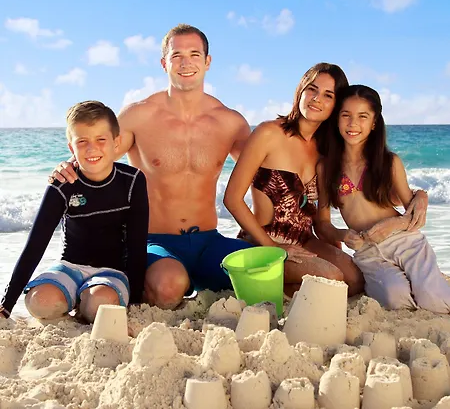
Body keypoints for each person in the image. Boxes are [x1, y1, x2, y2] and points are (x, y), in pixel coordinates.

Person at [49, 24, 252, 310]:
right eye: (176, 55)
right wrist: (67, 167)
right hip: (155, 242)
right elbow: (97, 156)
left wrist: (259, 227)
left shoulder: (231, 122)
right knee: (169, 287)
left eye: (194, 54)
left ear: (207, 61)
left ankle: (203, 276)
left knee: (275, 266)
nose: (185, 63)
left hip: (210, 241)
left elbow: (265, 174)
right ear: (164, 63)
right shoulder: (138, 115)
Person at [224, 63, 366, 297]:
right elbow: (232, 199)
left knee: (356, 280)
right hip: (263, 240)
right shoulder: (268, 133)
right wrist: (274, 248)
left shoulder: (325, 151)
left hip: (304, 239)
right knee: (331, 278)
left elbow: (321, 222)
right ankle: (257, 280)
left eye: (328, 95)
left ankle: (277, 288)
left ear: (336, 104)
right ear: (301, 90)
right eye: (312, 89)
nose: (317, 99)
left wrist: (338, 239)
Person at [0, 101, 149, 321]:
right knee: (39, 302)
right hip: (69, 267)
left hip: (112, 272)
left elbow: (137, 245)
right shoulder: (62, 184)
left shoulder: (132, 181)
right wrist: (6, 305)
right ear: (71, 148)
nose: (92, 149)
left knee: (99, 305)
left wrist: (135, 302)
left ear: (116, 142)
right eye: (82, 141)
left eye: (101, 139)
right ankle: (75, 301)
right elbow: (35, 246)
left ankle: (86, 301)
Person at [316, 84, 449, 312]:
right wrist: (342, 235)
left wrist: (394, 224)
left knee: (433, 300)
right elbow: (322, 224)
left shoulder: (389, 162)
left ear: (374, 123)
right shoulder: (326, 168)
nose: (353, 123)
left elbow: (415, 216)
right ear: (337, 119)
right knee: (395, 298)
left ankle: (431, 284)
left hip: (406, 242)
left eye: (363, 116)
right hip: (368, 252)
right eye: (346, 115)